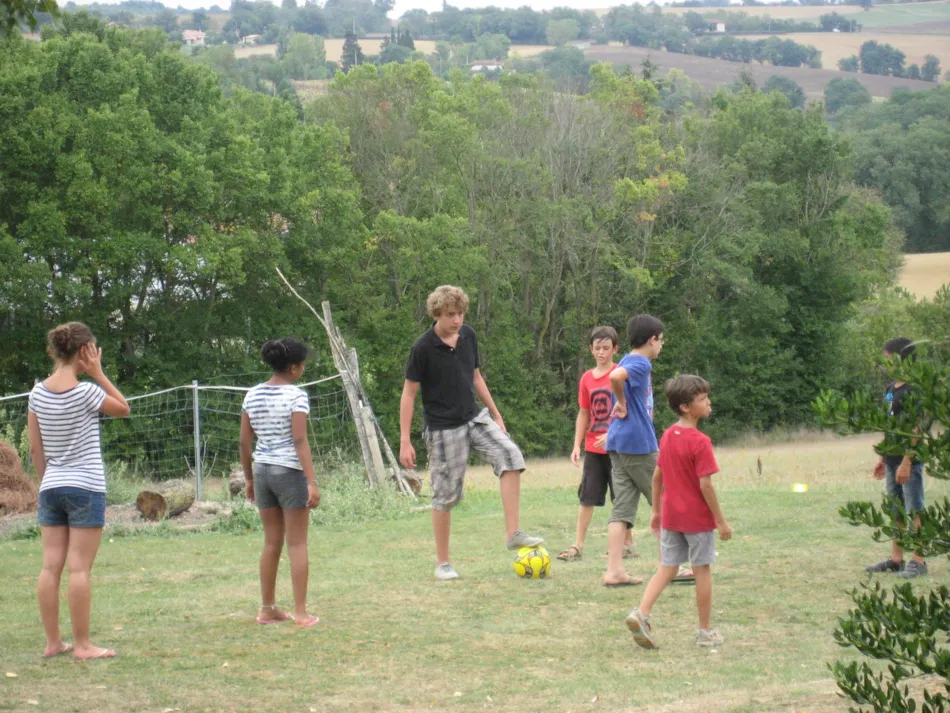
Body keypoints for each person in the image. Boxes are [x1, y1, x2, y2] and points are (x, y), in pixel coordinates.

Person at [398, 285, 543, 580]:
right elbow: (409, 395)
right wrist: (404, 440)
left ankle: (513, 533)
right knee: (445, 495)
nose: (457, 320)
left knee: (511, 456)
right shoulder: (422, 347)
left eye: (461, 313)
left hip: (474, 417)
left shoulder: (469, 336)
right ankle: (443, 563)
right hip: (442, 428)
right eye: (451, 315)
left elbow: (476, 376)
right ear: (437, 313)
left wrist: (497, 413)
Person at [28, 322, 131, 660]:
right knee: (79, 569)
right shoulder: (87, 392)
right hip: (86, 487)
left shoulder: (37, 394)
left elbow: (35, 450)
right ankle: (83, 645)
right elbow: (123, 408)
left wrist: (47, 483)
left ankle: (53, 642)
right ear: (86, 352)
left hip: (51, 487)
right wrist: (99, 374)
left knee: (49, 567)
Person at [625, 375, 732, 649]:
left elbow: (657, 476)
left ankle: (642, 612)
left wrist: (657, 512)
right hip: (696, 520)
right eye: (702, 399)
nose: (708, 402)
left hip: (671, 517)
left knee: (667, 569)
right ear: (685, 407)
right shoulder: (700, 441)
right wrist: (720, 521)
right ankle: (705, 632)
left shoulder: (668, 435)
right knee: (702, 570)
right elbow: (705, 485)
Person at [240, 338, 321, 627]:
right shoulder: (296, 396)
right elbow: (299, 439)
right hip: (289, 472)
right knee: (297, 543)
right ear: (295, 368)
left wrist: (248, 478)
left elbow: (244, 442)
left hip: (262, 470)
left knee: (271, 542)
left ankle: (267, 608)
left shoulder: (252, 395)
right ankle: (300, 612)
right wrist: (312, 481)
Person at [558, 326, 635, 562]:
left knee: (620, 496)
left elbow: (630, 410)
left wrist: (612, 434)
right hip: (593, 448)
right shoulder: (586, 379)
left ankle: (628, 545)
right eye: (597, 348)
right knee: (587, 497)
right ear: (591, 349)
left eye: (606, 348)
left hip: (617, 449)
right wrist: (576, 445)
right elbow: (583, 412)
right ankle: (578, 545)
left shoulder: (621, 374)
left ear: (615, 349)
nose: (601, 353)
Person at [602, 315, 664, 587]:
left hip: (618, 443)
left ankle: (614, 571)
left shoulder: (627, 358)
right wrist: (623, 401)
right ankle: (671, 566)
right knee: (665, 501)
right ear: (652, 340)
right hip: (638, 444)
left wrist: (621, 400)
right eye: (661, 341)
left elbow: (615, 374)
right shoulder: (640, 361)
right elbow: (615, 376)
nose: (661, 346)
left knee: (622, 510)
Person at [866, 337, 927, 579]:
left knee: (915, 510)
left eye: (888, 359)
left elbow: (916, 426)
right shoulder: (891, 389)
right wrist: (882, 456)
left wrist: (907, 460)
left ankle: (919, 561)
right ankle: (896, 559)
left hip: (907, 462)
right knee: (897, 511)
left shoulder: (914, 388)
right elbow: (888, 422)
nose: (886, 363)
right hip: (891, 460)